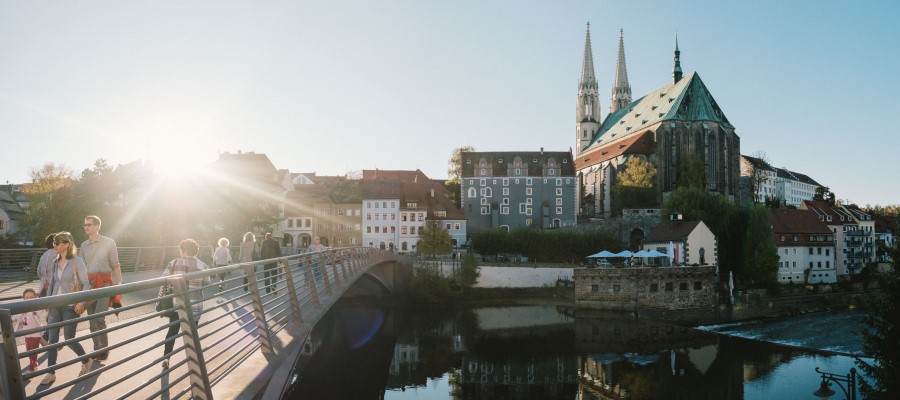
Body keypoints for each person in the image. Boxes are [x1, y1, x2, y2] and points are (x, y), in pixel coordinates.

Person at [42, 231, 93, 385]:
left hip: (71, 305)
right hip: (55, 305)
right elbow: (52, 283)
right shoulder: (55, 262)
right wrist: (47, 302)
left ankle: (86, 360)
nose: (54, 245)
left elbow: (86, 283)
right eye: (54, 242)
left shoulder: (77, 261)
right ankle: (50, 373)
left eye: (57, 242)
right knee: (52, 340)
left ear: (67, 244)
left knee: (69, 338)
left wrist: (81, 302)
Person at [159, 238, 209, 369]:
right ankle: (194, 362)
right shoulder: (203, 265)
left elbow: (163, 280)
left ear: (184, 250)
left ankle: (166, 358)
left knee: (172, 331)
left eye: (181, 250)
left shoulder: (174, 263)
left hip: (177, 305)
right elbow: (207, 283)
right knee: (192, 334)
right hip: (195, 306)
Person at [80, 215, 121, 362]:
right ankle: (97, 348)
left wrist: (120, 284)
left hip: (104, 284)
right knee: (91, 319)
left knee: (99, 317)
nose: (86, 227)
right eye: (85, 225)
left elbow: (115, 264)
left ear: (97, 226)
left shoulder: (109, 243)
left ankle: (103, 349)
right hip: (89, 285)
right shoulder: (84, 246)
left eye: (89, 225)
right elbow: (81, 267)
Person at [13, 288, 46, 372]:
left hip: (35, 334)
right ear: (23, 299)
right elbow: (19, 318)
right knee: (28, 350)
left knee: (33, 352)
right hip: (27, 334)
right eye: (27, 298)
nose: (29, 299)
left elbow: (42, 318)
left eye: (31, 297)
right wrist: (13, 318)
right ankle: (34, 364)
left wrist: (36, 313)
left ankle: (32, 367)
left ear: (35, 298)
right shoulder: (23, 309)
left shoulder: (37, 308)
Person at [37, 233, 56, 345]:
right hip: (54, 288)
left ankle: (47, 337)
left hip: (43, 288)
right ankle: (48, 338)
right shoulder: (57, 255)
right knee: (56, 315)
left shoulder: (44, 255)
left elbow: (39, 272)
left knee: (51, 314)